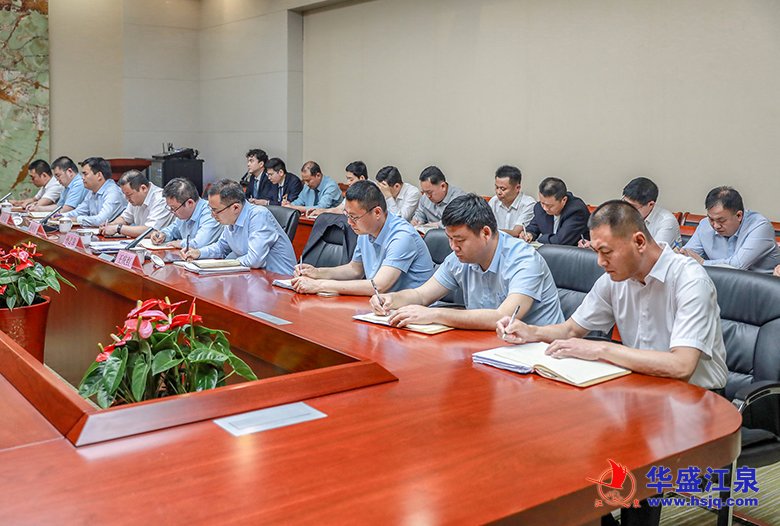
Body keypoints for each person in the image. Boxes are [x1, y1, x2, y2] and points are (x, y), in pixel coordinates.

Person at [498, 199, 728, 526]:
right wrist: (530, 331)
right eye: (596, 252)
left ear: (639, 241)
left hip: (698, 400)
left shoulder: (690, 280)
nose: (599, 262)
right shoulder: (614, 278)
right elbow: (571, 329)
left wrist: (600, 350)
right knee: (565, 436)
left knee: (632, 453)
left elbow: (681, 366)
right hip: (640, 389)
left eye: (606, 252)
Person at [370, 194, 563, 330]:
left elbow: (503, 317)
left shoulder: (524, 260)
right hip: (489, 347)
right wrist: (391, 299)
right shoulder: (459, 258)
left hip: (537, 352)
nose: (453, 247)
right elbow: (421, 295)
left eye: (459, 240)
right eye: (449, 239)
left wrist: (435, 315)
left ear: (485, 233)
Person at [292, 181, 434, 295]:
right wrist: (317, 273)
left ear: (377, 212)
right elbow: (355, 270)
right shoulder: (365, 230)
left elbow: (379, 286)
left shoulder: (402, 236)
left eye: (354, 217)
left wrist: (319, 285)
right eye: (347, 215)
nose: (349, 222)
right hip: (383, 305)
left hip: (414, 311)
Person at [181, 179, 296, 273]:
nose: (212, 215)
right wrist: (199, 253)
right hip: (253, 277)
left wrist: (225, 263)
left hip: (277, 281)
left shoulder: (258, 216)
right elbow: (221, 247)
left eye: (216, 211)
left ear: (235, 207)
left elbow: (255, 260)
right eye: (211, 210)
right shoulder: (231, 219)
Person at [679, 186, 780, 274]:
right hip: (717, 283)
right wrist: (680, 254)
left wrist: (702, 263)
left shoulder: (760, 226)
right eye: (711, 219)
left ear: (739, 215)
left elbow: (738, 266)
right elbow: (687, 254)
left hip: (759, 286)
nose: (716, 226)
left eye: (721, 220)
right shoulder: (705, 224)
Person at [578, 177, 682, 249]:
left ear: (650, 204)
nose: (626, 209)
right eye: (624, 202)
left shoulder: (667, 222)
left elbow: (652, 254)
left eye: (633, 206)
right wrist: (593, 245)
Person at [151, 178, 223, 249]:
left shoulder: (210, 213)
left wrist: (181, 243)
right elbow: (173, 229)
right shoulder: (184, 215)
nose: (172, 212)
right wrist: (163, 235)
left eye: (174, 208)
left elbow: (199, 243)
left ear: (190, 203)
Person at [100, 170, 173, 237]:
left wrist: (118, 228)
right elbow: (125, 219)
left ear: (143, 188)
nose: (126, 198)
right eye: (125, 195)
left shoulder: (161, 199)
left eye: (129, 195)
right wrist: (110, 225)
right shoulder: (134, 199)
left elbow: (150, 230)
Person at [523, 177, 589, 246]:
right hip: (549, 250)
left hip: (571, 251)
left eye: (549, 205)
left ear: (564, 200)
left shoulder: (576, 211)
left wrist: (540, 239)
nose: (545, 208)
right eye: (542, 203)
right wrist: (529, 234)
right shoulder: (540, 208)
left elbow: (561, 241)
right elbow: (534, 226)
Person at [62, 157, 125, 227]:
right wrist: (61, 216)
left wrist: (76, 219)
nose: (82, 177)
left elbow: (100, 220)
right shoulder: (92, 191)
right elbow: (79, 211)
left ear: (99, 175)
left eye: (85, 174)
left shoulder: (113, 192)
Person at [488, 165, 536, 237]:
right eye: (497, 187)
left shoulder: (528, 204)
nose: (498, 192)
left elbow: (515, 233)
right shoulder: (494, 201)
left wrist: (490, 232)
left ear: (517, 188)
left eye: (503, 189)